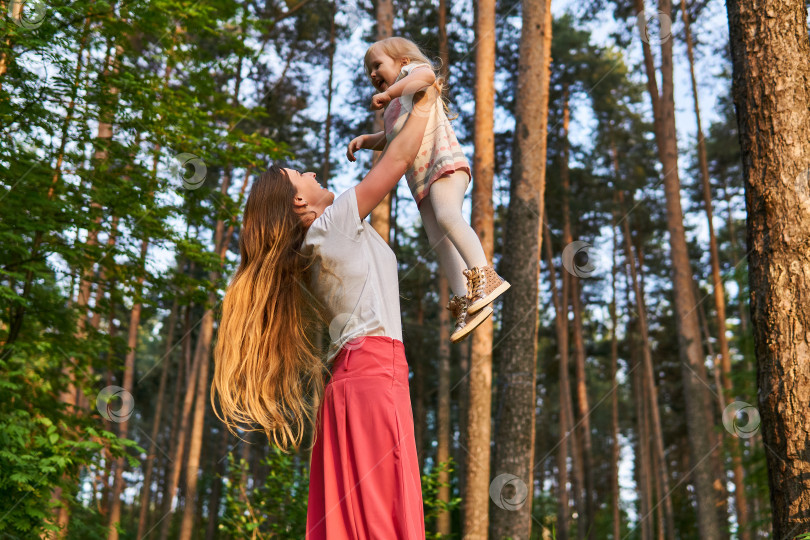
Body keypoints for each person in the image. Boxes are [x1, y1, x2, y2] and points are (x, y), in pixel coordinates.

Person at [211, 86, 441, 539]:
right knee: (384, 517)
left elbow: (395, 152)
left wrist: (388, 130)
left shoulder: (317, 247)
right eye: (302, 175)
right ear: (301, 205)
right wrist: (426, 101)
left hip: (353, 385)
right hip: (373, 376)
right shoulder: (331, 224)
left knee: (362, 520)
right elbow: (396, 164)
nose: (313, 172)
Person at [347, 36, 510, 343]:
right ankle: (468, 299)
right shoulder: (395, 108)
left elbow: (427, 77)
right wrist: (368, 140)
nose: (372, 74)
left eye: (377, 65)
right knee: (439, 241)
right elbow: (392, 138)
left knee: (449, 217)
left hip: (443, 164)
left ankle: (486, 274)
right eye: (368, 70)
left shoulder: (413, 74)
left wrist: (392, 91)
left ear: (402, 62)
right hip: (421, 184)